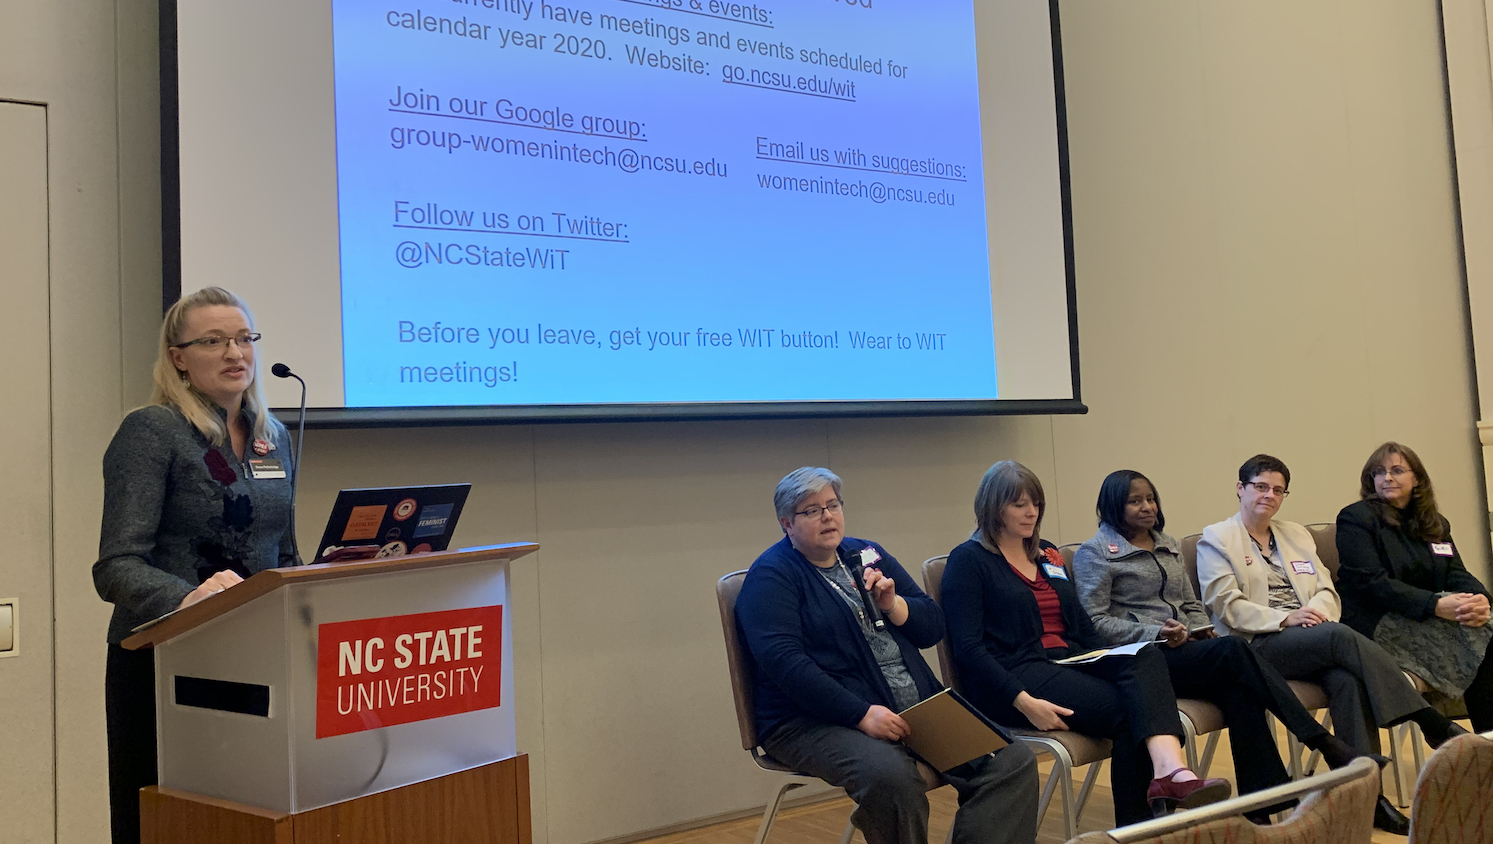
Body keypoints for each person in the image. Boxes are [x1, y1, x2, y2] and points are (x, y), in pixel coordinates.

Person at [736, 467, 1039, 844]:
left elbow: (932, 628)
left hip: (908, 707)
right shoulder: (772, 576)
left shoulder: (866, 554)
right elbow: (786, 664)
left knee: (1011, 763)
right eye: (811, 511)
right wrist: (859, 714)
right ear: (787, 523)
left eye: (833, 505)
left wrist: (893, 604)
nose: (828, 516)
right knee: (892, 779)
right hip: (811, 720)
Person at [94, 287, 298, 844]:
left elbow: (283, 555)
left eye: (243, 338)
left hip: (258, 661)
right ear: (178, 356)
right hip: (167, 664)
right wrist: (189, 599)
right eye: (213, 341)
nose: (236, 353)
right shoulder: (151, 432)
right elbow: (116, 565)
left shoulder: (271, 435)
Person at [942, 461, 1231, 827]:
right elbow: (968, 650)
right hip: (1016, 676)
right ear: (992, 507)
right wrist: (1023, 701)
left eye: (1036, 504)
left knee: (1143, 655)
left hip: (1069, 660)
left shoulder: (1046, 553)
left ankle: (1169, 772)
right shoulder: (968, 561)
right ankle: (1145, 821)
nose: (1031, 512)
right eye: (1019, 504)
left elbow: (1079, 623)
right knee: (1130, 713)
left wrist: (1111, 657)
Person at [1072, 470, 1369, 818]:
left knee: (1239, 692)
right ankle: (1320, 740)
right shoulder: (1095, 554)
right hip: (1143, 660)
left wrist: (1199, 629)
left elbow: (1192, 604)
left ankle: (1261, 807)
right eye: (1134, 501)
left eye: (1150, 499)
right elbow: (1095, 622)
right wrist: (1155, 633)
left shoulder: (1165, 543)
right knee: (1234, 651)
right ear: (1112, 506)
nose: (1146, 507)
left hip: (1184, 650)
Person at [1196, 453, 1467, 834]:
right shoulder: (1217, 538)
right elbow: (1225, 605)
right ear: (1241, 489)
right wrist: (1286, 618)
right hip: (1257, 645)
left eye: (1278, 490)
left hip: (1312, 637)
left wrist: (1315, 614)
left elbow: (1326, 589)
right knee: (1341, 637)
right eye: (1260, 487)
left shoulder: (1295, 535)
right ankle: (1428, 719)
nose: (1269, 496)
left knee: (1346, 680)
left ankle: (1367, 794)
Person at [1335, 442, 1491, 731]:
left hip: (1425, 615)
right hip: (1374, 620)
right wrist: (1435, 605)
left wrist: (1480, 599)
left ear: (1417, 478)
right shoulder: (1356, 518)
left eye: (1396, 470)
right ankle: (1483, 744)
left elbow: (1455, 573)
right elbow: (1371, 583)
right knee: (1481, 641)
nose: (1387, 478)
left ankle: (1482, 745)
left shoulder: (1435, 523)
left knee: (1483, 626)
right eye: (1378, 473)